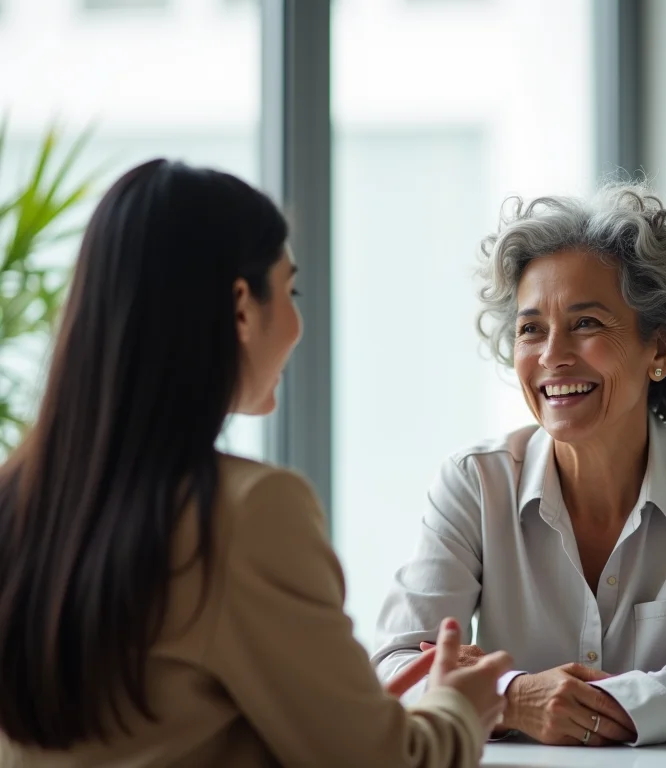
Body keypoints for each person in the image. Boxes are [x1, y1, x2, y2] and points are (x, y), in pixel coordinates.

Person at [0, 159, 513, 767]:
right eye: (290, 289)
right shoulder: (248, 512)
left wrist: (348, 709)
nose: (297, 323)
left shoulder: (17, 498)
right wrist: (460, 708)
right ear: (242, 308)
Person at [373, 183, 666, 748]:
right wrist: (516, 697)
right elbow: (397, 666)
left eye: (585, 324)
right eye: (531, 328)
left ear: (659, 350)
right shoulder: (473, 484)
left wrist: (500, 693)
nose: (552, 356)